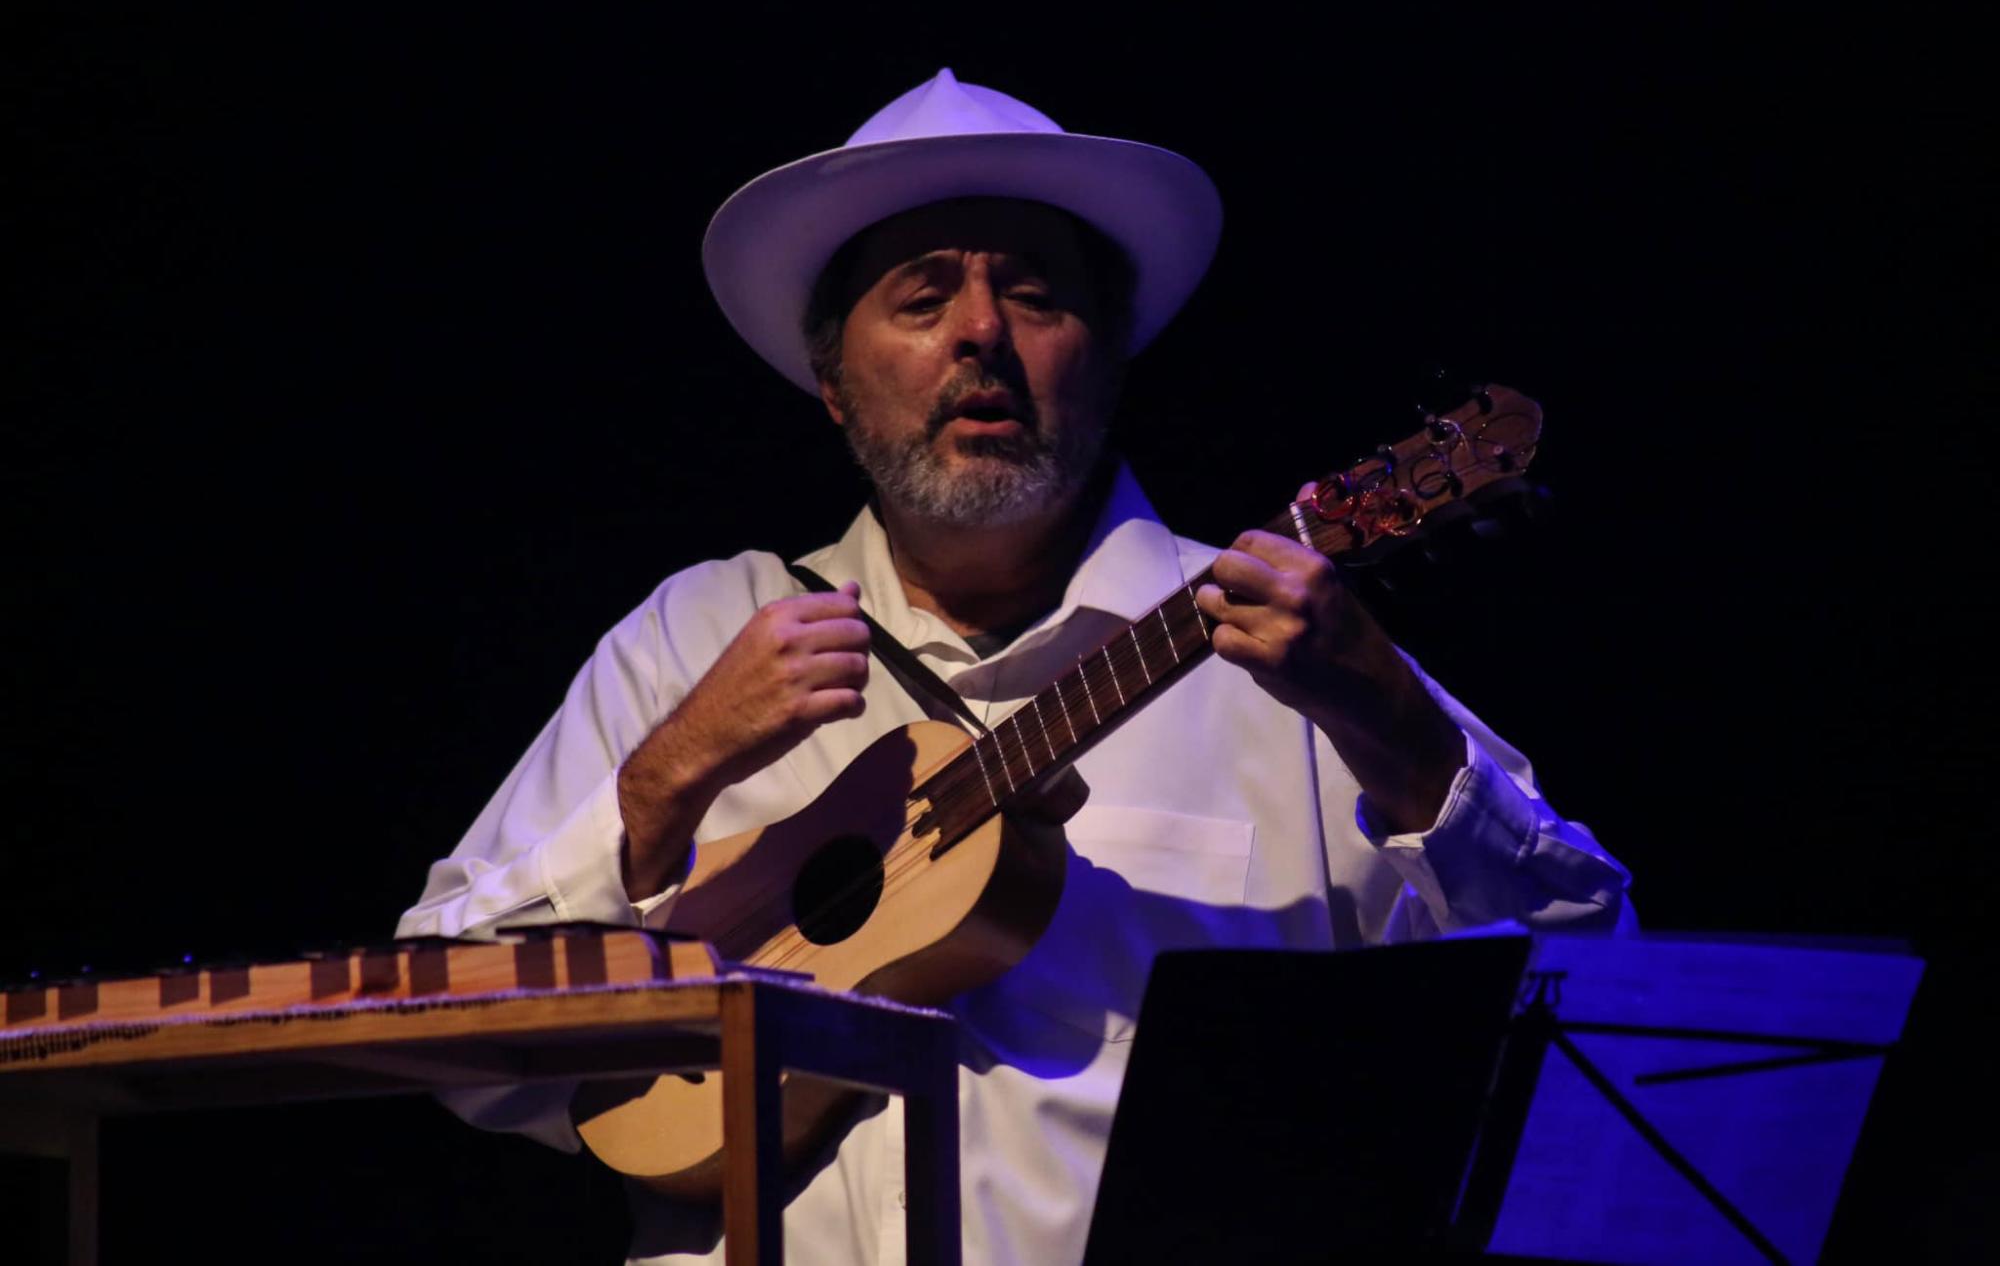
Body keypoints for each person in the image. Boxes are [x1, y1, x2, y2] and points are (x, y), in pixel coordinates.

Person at [398, 69, 1633, 1266]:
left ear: (1108, 357)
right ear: (833, 383)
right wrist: (657, 791)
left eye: (1035, 295)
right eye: (924, 297)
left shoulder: (1281, 647)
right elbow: (441, 1034)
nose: (982, 332)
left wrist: (1403, 734)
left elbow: (1605, 1013)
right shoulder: (696, 631)